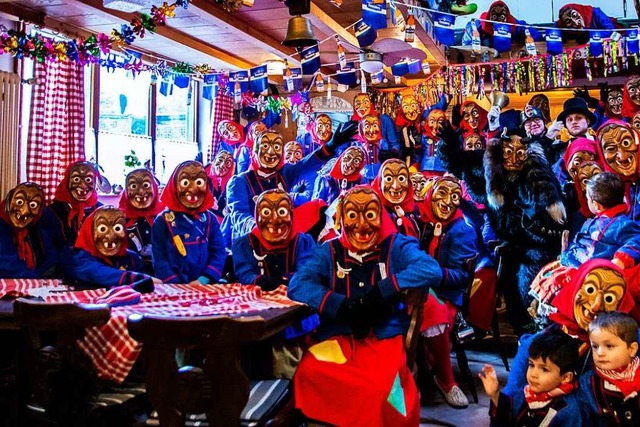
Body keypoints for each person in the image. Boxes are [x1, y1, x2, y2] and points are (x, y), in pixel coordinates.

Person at [288, 185, 443, 427]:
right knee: (308, 372)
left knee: (380, 390)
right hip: (338, 337)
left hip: (383, 338)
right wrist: (339, 305)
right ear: (342, 218)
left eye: (369, 215)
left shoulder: (395, 246)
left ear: (380, 216)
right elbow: (297, 285)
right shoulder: (329, 251)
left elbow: (431, 269)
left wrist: (384, 291)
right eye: (352, 215)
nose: (361, 225)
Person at [232, 189, 318, 378]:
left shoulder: (303, 241)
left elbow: (307, 270)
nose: (274, 220)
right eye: (265, 212)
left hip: (293, 323)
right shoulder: (244, 244)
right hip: (253, 315)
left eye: (281, 212)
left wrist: (283, 280)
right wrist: (262, 282)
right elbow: (244, 272)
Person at [227, 125, 356, 240]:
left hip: (282, 236)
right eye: (265, 146)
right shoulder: (239, 182)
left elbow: (307, 164)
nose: (271, 152)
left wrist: (330, 146)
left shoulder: (283, 174)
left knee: (319, 208)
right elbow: (239, 216)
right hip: (253, 241)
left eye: (276, 146)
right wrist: (260, 226)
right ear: (254, 152)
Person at [417, 176, 477, 408]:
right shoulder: (420, 219)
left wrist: (433, 274)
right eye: (442, 193)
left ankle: (445, 378)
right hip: (419, 289)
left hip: (446, 296)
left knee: (435, 312)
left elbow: (461, 275)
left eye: (455, 197)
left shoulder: (462, 230)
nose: (448, 202)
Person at [480, 331, 583, 426]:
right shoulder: (525, 395)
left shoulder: (568, 410)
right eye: (531, 365)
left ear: (565, 377)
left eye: (544, 369)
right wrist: (495, 395)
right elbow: (506, 419)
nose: (533, 374)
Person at [152, 161, 226, 284]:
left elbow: (218, 252)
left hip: (204, 285)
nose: (193, 189)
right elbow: (160, 258)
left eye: (199, 182)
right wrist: (175, 284)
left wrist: (204, 279)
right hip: (173, 287)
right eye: (185, 183)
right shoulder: (163, 220)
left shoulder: (210, 219)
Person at [64, 206, 157, 291]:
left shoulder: (132, 258)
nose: (110, 236)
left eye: (117, 228)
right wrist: (138, 278)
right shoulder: (80, 258)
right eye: (102, 229)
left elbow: (144, 287)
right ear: (90, 231)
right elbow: (99, 273)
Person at [560, 172, 640, 269]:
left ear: (596, 205)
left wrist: (620, 260)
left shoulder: (621, 224)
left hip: (592, 275)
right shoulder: (593, 221)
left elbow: (636, 240)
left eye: (587, 198)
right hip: (571, 263)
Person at [579, 311, 640, 426]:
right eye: (595, 346)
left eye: (609, 346)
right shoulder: (588, 383)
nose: (600, 353)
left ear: (631, 349)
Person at [0, 182, 59, 278]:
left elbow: (50, 258)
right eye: (19, 202)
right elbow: (6, 263)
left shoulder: (39, 227)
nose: (24, 211)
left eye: (33, 205)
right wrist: (35, 276)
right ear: (9, 200)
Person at [118, 168, 164, 273]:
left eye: (146, 185)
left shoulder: (165, 217)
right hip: (131, 273)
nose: (141, 192)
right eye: (134, 186)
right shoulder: (120, 219)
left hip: (162, 273)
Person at [48, 161, 103, 247]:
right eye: (76, 179)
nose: (83, 185)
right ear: (67, 181)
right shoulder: (51, 212)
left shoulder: (101, 211)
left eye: (88, 179)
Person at [461, 1, 542, 47]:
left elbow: (537, 35)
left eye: (502, 17)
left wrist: (523, 40)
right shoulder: (475, 26)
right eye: (495, 17)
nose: (499, 21)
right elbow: (466, 46)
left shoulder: (515, 25)